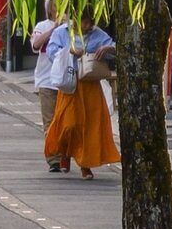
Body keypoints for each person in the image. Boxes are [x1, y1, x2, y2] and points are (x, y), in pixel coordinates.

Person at [43, 10, 122, 174]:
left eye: (90, 23)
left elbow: (116, 47)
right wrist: (69, 51)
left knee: (90, 125)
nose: (87, 26)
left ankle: (85, 164)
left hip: (90, 85)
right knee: (68, 123)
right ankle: (64, 151)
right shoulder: (61, 32)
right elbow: (51, 52)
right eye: (84, 22)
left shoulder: (97, 33)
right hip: (70, 84)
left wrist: (108, 49)